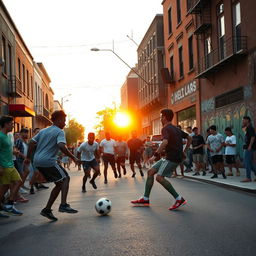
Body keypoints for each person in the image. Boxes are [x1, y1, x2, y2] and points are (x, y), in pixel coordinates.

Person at [131, 109, 191, 211]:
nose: (160, 119)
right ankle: (145, 199)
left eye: (161, 117)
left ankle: (179, 199)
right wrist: (184, 151)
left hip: (172, 158)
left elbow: (164, 142)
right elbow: (189, 138)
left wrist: (155, 155)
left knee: (159, 177)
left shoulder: (166, 128)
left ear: (164, 117)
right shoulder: (176, 128)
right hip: (170, 157)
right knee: (150, 172)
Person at [25, 110, 79, 221]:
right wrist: (73, 157)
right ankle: (63, 205)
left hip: (38, 161)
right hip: (48, 161)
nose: (64, 123)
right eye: (64, 121)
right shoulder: (59, 132)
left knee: (59, 184)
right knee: (66, 179)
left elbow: (31, 142)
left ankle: (47, 210)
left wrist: (28, 157)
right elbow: (61, 145)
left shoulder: (44, 131)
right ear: (58, 120)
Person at [0, 116, 23, 217]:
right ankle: (4, 206)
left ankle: (9, 204)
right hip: (4, 166)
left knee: (18, 182)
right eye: (11, 124)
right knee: (4, 188)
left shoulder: (9, 135)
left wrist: (14, 151)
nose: (13, 126)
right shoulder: (0, 136)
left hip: (11, 164)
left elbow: (10, 148)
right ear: (5, 124)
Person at [241, 116, 256, 182]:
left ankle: (248, 177)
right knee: (249, 163)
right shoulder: (247, 128)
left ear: (247, 120)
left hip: (249, 148)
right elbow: (247, 138)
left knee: (246, 163)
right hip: (247, 147)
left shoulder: (250, 128)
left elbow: (253, 137)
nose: (242, 121)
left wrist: (249, 146)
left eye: (243, 120)